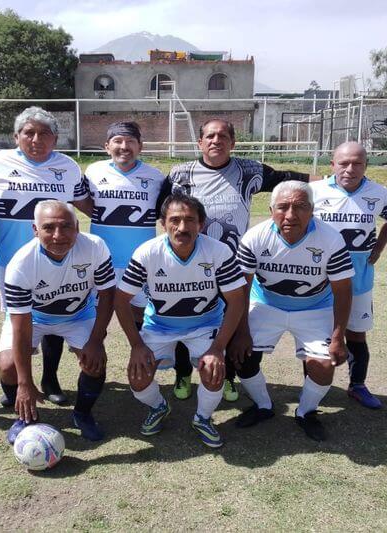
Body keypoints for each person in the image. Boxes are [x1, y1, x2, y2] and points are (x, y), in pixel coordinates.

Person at [167, 118, 314, 403]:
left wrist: (333, 180)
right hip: (191, 260)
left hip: (233, 264)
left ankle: (228, 376)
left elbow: (286, 178)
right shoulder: (180, 173)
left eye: (223, 136)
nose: (216, 141)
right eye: (209, 136)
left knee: (229, 319)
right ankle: (183, 372)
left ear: (232, 143)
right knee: (185, 317)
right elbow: (166, 211)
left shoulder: (248, 170)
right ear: (200, 143)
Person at [0, 106, 93, 407]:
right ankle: (18, 384)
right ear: (16, 136)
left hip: (59, 258)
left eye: (44, 133)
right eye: (29, 132)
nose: (36, 138)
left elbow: (87, 205)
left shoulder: (68, 167)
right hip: (12, 261)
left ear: (55, 138)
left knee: (55, 315)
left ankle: (50, 378)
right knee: (20, 320)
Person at [115, 193, 246, 448]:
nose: (182, 227)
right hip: (160, 326)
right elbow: (121, 301)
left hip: (205, 325)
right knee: (138, 377)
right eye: (175, 220)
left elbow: (237, 300)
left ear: (202, 223)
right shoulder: (148, 252)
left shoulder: (218, 251)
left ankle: (203, 418)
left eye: (190, 220)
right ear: (163, 223)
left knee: (213, 370)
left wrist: (219, 347)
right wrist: (136, 345)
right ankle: (158, 407)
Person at [235, 181, 354, 441]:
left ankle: (305, 412)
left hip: (315, 307)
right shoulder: (255, 237)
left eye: (300, 207)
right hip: (266, 303)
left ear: (312, 210)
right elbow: (240, 289)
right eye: (283, 207)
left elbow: (343, 291)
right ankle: (263, 406)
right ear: (271, 210)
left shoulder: (330, 239)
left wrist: (338, 337)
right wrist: (241, 331)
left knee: (324, 365)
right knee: (239, 355)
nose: (291, 215)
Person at [3, 200, 115, 442]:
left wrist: (95, 341)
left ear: (77, 226)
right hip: (34, 318)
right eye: (48, 228)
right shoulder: (20, 265)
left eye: (66, 227)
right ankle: (24, 417)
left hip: (78, 316)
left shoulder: (94, 246)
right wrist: (25, 383)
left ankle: (82, 414)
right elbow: (21, 327)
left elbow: (107, 295)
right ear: (35, 230)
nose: (58, 235)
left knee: (95, 362)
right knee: (8, 366)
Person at [311, 141, 387, 409]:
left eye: (357, 163)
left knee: (356, 334)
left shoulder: (379, 193)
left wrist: (379, 248)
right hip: (320, 279)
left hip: (358, 277)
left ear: (365, 165)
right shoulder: (314, 191)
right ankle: (315, 388)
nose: (350, 169)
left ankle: (357, 385)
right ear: (332, 164)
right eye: (344, 163)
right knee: (317, 336)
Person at [84, 121, 169, 329]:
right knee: (96, 317)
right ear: (107, 146)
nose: (124, 146)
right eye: (118, 141)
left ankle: (139, 355)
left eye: (130, 141)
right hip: (102, 259)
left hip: (139, 260)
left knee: (140, 313)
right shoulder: (93, 172)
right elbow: (85, 204)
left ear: (140, 146)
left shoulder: (155, 177)